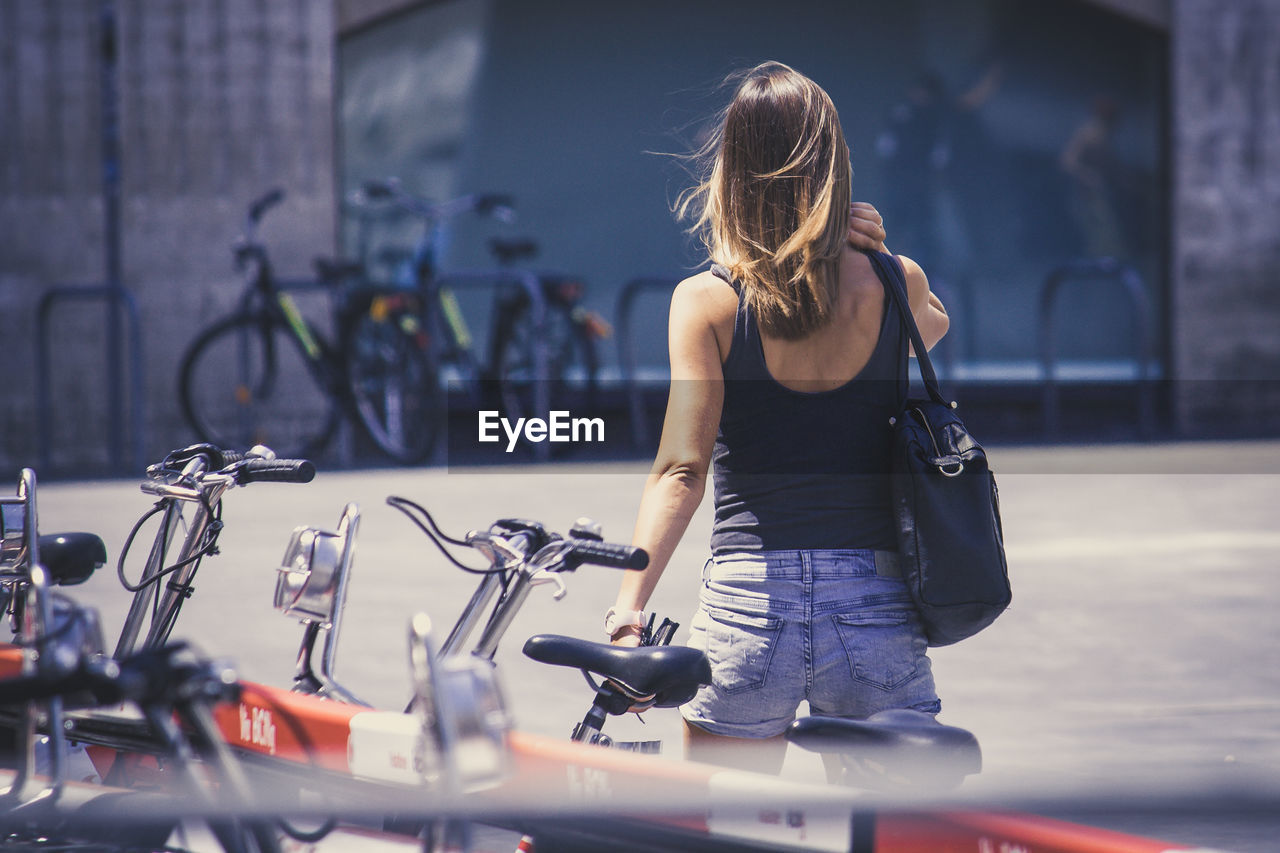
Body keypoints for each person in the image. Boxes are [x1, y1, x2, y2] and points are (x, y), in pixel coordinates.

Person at [605, 61, 950, 775]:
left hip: (747, 605)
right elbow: (933, 329)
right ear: (834, 162)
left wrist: (629, 603)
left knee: (726, 831)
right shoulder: (896, 280)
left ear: (733, 171)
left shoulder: (705, 301)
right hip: (876, 604)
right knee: (896, 833)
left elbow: (681, 469)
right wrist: (879, 256)